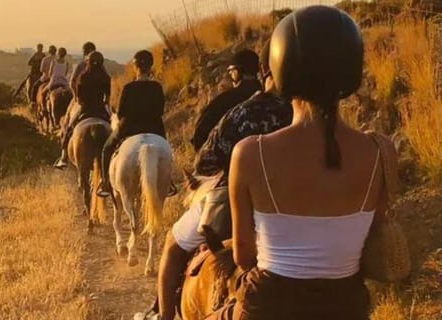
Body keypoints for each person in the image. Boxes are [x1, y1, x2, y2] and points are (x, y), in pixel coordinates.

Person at [226, 7, 382, 319]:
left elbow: (243, 256)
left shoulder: (250, 153)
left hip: (269, 307)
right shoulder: (379, 151)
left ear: (280, 66)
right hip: (347, 307)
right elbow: (373, 243)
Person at [138, 41, 292, 320]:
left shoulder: (243, 112)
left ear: (264, 69)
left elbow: (205, 161)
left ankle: (164, 315)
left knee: (173, 245)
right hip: (294, 204)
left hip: (232, 201)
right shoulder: (309, 115)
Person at [96, 50, 165, 196]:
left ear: (135, 67)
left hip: (129, 128)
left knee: (107, 148)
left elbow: (121, 112)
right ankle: (168, 183)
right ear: (151, 67)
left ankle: (105, 183)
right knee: (166, 149)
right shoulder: (157, 87)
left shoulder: (128, 88)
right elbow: (160, 110)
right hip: (154, 127)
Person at [191, 49, 263, 151]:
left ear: (237, 72)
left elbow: (199, 137)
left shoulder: (223, 102)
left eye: (231, 72)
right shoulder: (271, 97)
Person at [53, 51, 111, 169]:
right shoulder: (105, 77)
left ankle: (63, 157)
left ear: (88, 62)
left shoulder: (83, 77)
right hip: (101, 109)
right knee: (113, 129)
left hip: (85, 109)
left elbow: (79, 100)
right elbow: (107, 99)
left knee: (68, 129)